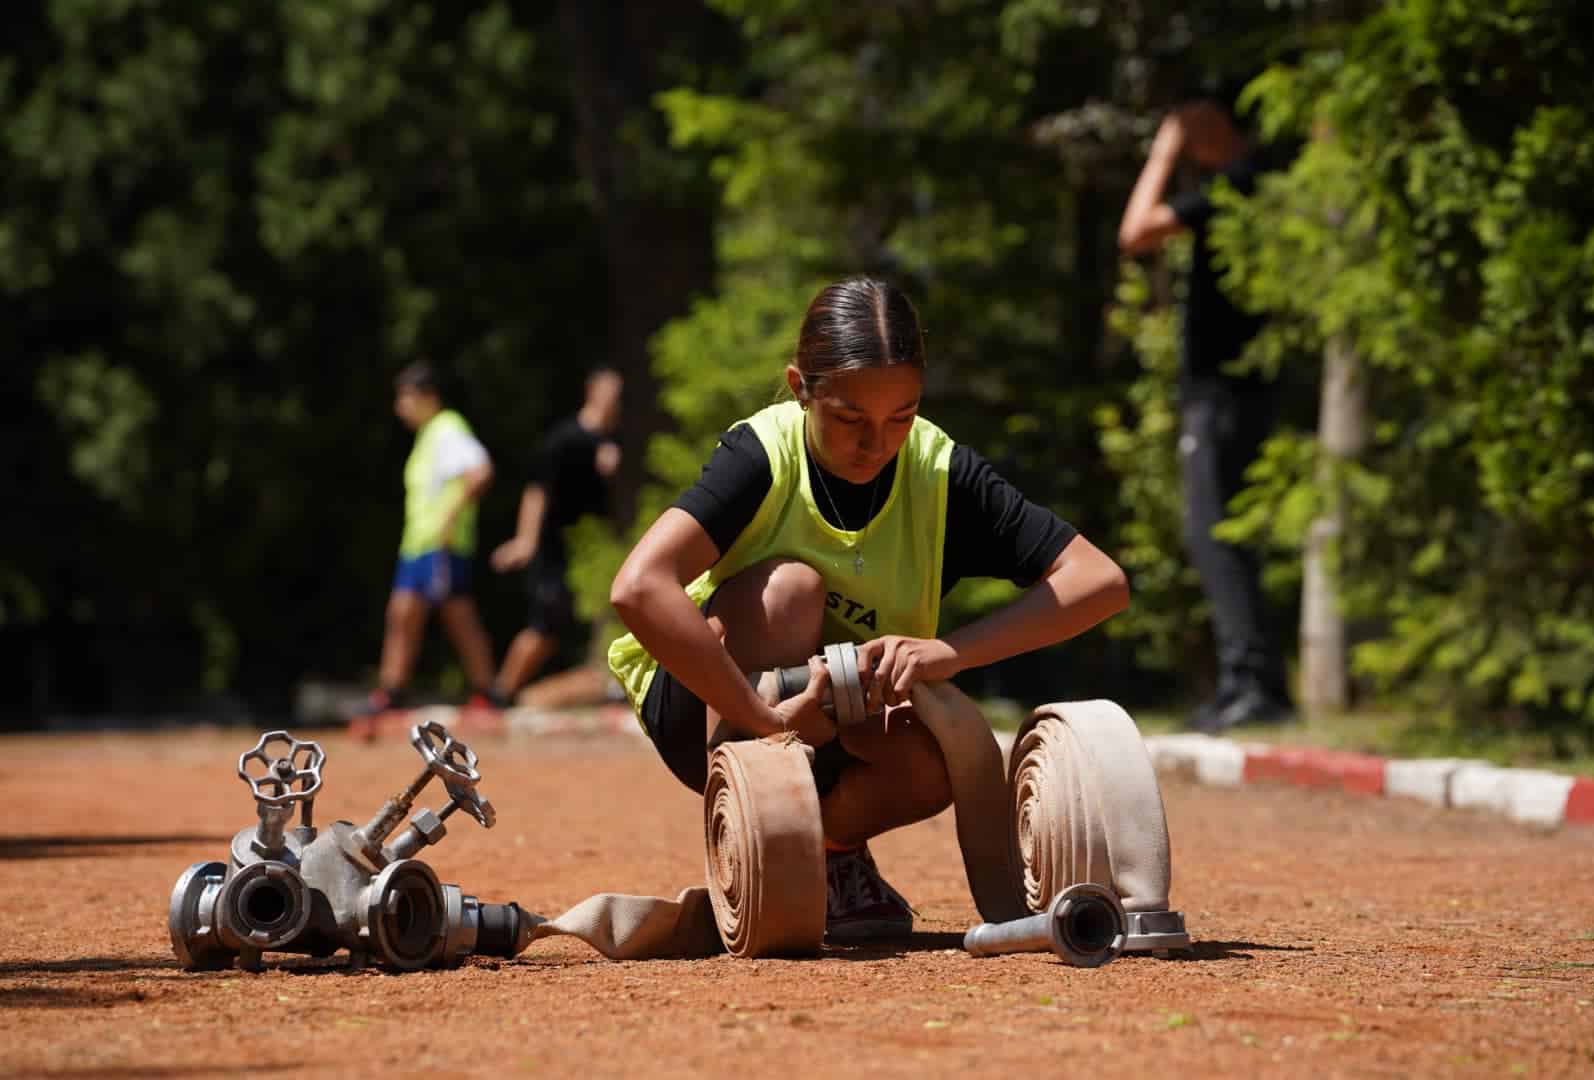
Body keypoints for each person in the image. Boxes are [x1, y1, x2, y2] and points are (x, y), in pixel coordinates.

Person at [605, 277, 1130, 941]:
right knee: (792, 589)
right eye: (851, 418)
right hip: (714, 705)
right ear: (801, 388)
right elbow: (639, 587)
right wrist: (766, 720)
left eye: (901, 417)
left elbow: (1100, 580)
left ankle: (831, 855)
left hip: (839, 720)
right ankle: (750, 831)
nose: (876, 443)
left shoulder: (941, 473)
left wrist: (949, 651)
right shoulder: (762, 455)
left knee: (946, 748)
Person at [1117, 93, 1296, 733]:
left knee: (1212, 530)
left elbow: (1133, 233)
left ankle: (1253, 686)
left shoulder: (1239, 184)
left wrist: (1164, 152)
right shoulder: (1252, 185)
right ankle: (1248, 683)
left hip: (1224, 391)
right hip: (1230, 389)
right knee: (1222, 534)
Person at [359, 363, 498, 717]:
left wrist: (450, 518)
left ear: (428, 397)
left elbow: (480, 472)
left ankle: (486, 690)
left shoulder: (447, 428)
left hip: (442, 543)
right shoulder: (427, 436)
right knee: (403, 613)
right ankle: (392, 691)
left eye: (405, 397)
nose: (399, 406)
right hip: (418, 545)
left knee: (456, 613)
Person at [488, 368, 623, 706]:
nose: (614, 402)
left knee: (582, 622)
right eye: (609, 393)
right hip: (552, 548)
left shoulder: (607, 443)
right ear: (591, 392)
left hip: (585, 553)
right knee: (544, 624)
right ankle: (500, 694)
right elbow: (538, 490)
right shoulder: (566, 438)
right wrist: (525, 541)